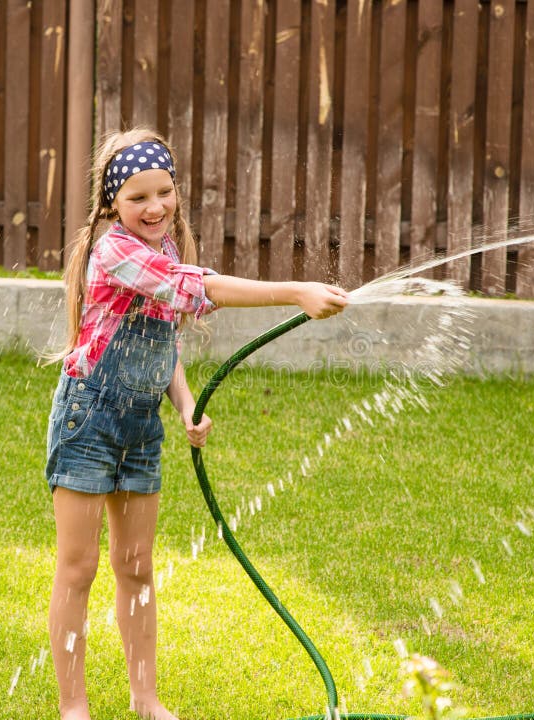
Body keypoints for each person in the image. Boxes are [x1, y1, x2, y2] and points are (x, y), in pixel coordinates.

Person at [45, 127, 348, 720]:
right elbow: (200, 289)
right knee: (78, 568)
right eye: (138, 198)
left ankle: (145, 697)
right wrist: (296, 291)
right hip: (87, 419)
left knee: (136, 568)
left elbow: (162, 345)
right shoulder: (116, 253)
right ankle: (73, 707)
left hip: (140, 428)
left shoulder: (160, 255)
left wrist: (183, 405)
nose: (155, 207)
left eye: (165, 192)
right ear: (112, 204)